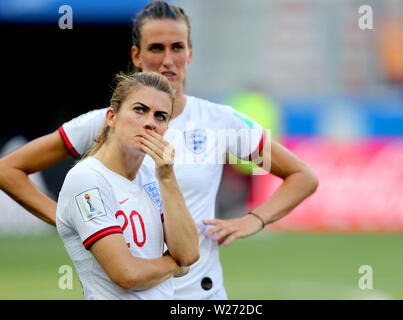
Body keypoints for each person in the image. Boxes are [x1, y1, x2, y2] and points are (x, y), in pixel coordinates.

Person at [0, 1, 318, 299]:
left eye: (177, 47)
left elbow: (301, 176)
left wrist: (255, 219)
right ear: (137, 55)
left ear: (190, 53)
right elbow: (9, 169)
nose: (168, 60)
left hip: (201, 294)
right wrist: (63, 218)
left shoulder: (219, 123)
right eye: (156, 48)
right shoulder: (107, 121)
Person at [56, 71, 199, 299]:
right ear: (112, 117)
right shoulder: (87, 179)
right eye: (139, 110)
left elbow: (189, 253)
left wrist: (168, 177)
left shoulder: (155, 175)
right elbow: (126, 274)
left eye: (161, 116)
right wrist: (174, 264)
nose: (150, 123)